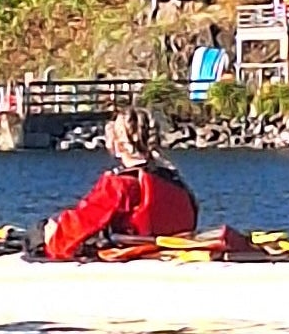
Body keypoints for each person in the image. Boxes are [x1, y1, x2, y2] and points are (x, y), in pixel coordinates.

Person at [40, 109, 199, 259]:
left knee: (40, 231)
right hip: (166, 247)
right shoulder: (174, 179)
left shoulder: (120, 185)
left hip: (134, 248)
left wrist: (52, 237)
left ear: (117, 145)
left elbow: (80, 223)